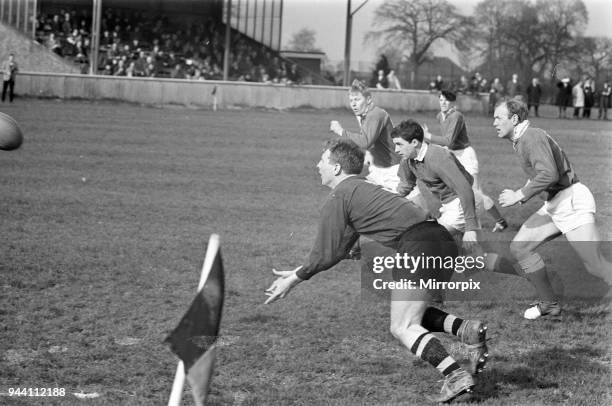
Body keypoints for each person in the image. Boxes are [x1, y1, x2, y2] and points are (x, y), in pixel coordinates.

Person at [265, 139, 488, 403]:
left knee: (402, 326)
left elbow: (324, 253)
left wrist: (293, 279)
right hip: (439, 238)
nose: (317, 165)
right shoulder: (362, 187)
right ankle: (466, 330)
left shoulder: (340, 195)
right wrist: (309, 266)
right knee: (411, 310)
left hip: (419, 245)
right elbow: (339, 249)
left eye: (322, 160)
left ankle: (455, 375)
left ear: (336, 168)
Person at [493, 99, 612, 319]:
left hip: (572, 201)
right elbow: (542, 175)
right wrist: (521, 195)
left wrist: (519, 195)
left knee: (595, 265)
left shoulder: (531, 137)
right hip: (555, 204)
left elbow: (549, 175)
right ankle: (549, 304)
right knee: (520, 247)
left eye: (498, 117)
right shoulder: (522, 139)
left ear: (514, 119)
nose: (494, 123)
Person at [423, 90, 507, 232]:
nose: (443, 102)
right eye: (441, 99)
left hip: (465, 156)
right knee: (456, 192)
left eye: (446, 100)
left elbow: (449, 141)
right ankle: (463, 223)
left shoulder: (456, 116)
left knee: (475, 194)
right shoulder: (440, 116)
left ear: (453, 102)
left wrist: (428, 135)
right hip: (452, 156)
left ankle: (497, 222)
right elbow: (446, 143)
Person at [393, 119, 479, 250]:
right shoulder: (408, 161)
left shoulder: (438, 157)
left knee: (427, 241)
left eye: (399, 144)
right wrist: (386, 200)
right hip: (449, 205)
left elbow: (464, 188)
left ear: (415, 142)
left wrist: (470, 227)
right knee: (471, 259)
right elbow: (406, 184)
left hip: (463, 202)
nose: (396, 150)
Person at [329, 79, 401, 193]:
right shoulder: (366, 115)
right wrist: (369, 154)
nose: (353, 103)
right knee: (360, 198)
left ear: (368, 100)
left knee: (414, 208)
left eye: (357, 99)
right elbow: (370, 141)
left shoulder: (375, 115)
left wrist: (341, 131)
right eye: (351, 100)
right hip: (379, 169)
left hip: (393, 172)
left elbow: (365, 142)